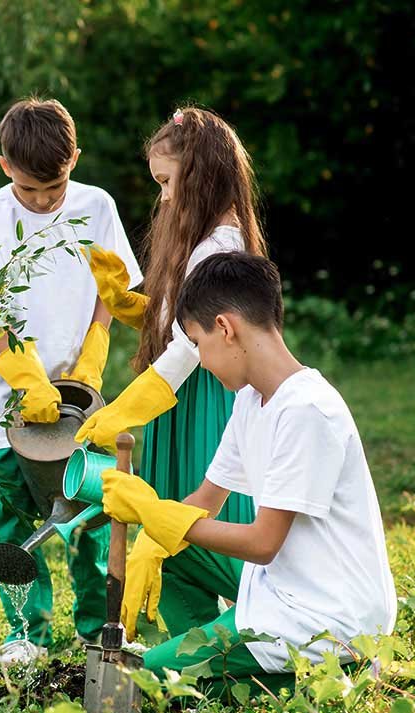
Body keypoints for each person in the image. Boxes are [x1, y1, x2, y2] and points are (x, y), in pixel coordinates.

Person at [99, 252, 397, 693]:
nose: (202, 360)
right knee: (167, 547)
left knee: (137, 684)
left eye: (198, 343)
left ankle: (328, 675)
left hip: (327, 616)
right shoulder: (251, 399)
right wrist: (154, 534)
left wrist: (155, 514)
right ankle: (216, 657)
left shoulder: (307, 410)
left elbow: (262, 543)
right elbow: (205, 502)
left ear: (225, 328)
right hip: (283, 587)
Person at [75, 106, 265, 640]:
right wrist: (132, 306)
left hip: (199, 396)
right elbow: (178, 317)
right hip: (176, 396)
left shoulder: (220, 246)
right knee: (168, 517)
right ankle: (195, 642)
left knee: (192, 518)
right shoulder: (201, 240)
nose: (162, 197)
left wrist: (130, 407)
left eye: (166, 182)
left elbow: (190, 347)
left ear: (201, 177)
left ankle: (252, 628)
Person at [0, 97, 143, 666]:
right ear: (4, 167)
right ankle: (26, 635)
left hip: (74, 393)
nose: (43, 200)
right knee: (8, 514)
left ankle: (97, 628)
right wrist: (25, 377)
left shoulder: (96, 205)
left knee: (88, 509)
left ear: (76, 161)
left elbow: (111, 288)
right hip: (0, 394)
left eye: (55, 186)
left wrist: (94, 349)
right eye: (29, 188)